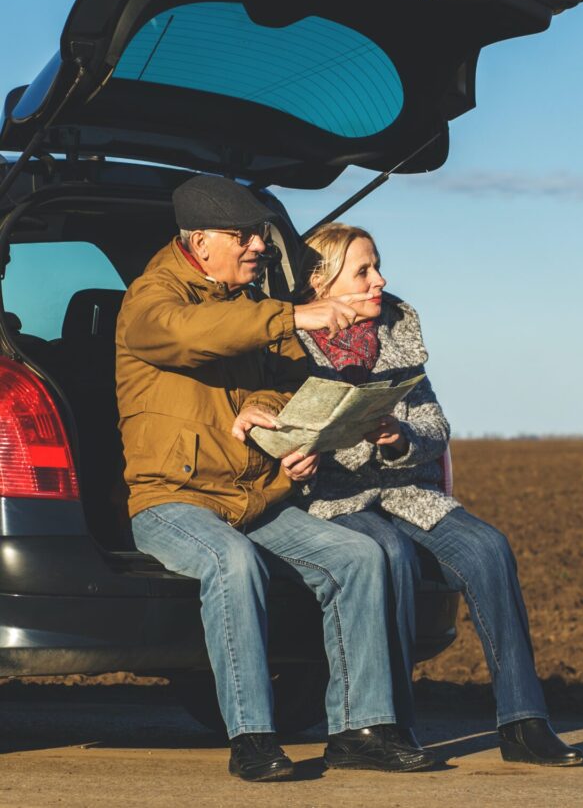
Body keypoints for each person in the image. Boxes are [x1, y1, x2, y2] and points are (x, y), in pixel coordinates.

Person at [115, 176, 434, 781]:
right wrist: (295, 314)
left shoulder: (249, 302)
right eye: (244, 237)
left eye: (261, 235)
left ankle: (360, 728)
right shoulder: (150, 300)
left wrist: (280, 422)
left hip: (255, 497)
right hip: (172, 500)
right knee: (233, 561)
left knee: (359, 556)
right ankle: (253, 738)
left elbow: (284, 378)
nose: (258, 247)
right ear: (201, 241)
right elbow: (192, 333)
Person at [295, 223, 583, 767]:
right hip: (337, 501)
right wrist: (352, 440)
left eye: (377, 265)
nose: (379, 279)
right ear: (321, 282)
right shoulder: (291, 344)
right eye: (363, 270)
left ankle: (524, 723)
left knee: (489, 549)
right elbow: (293, 439)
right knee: (390, 558)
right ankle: (393, 727)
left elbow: (435, 424)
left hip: (408, 491)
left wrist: (399, 437)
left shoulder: (398, 332)